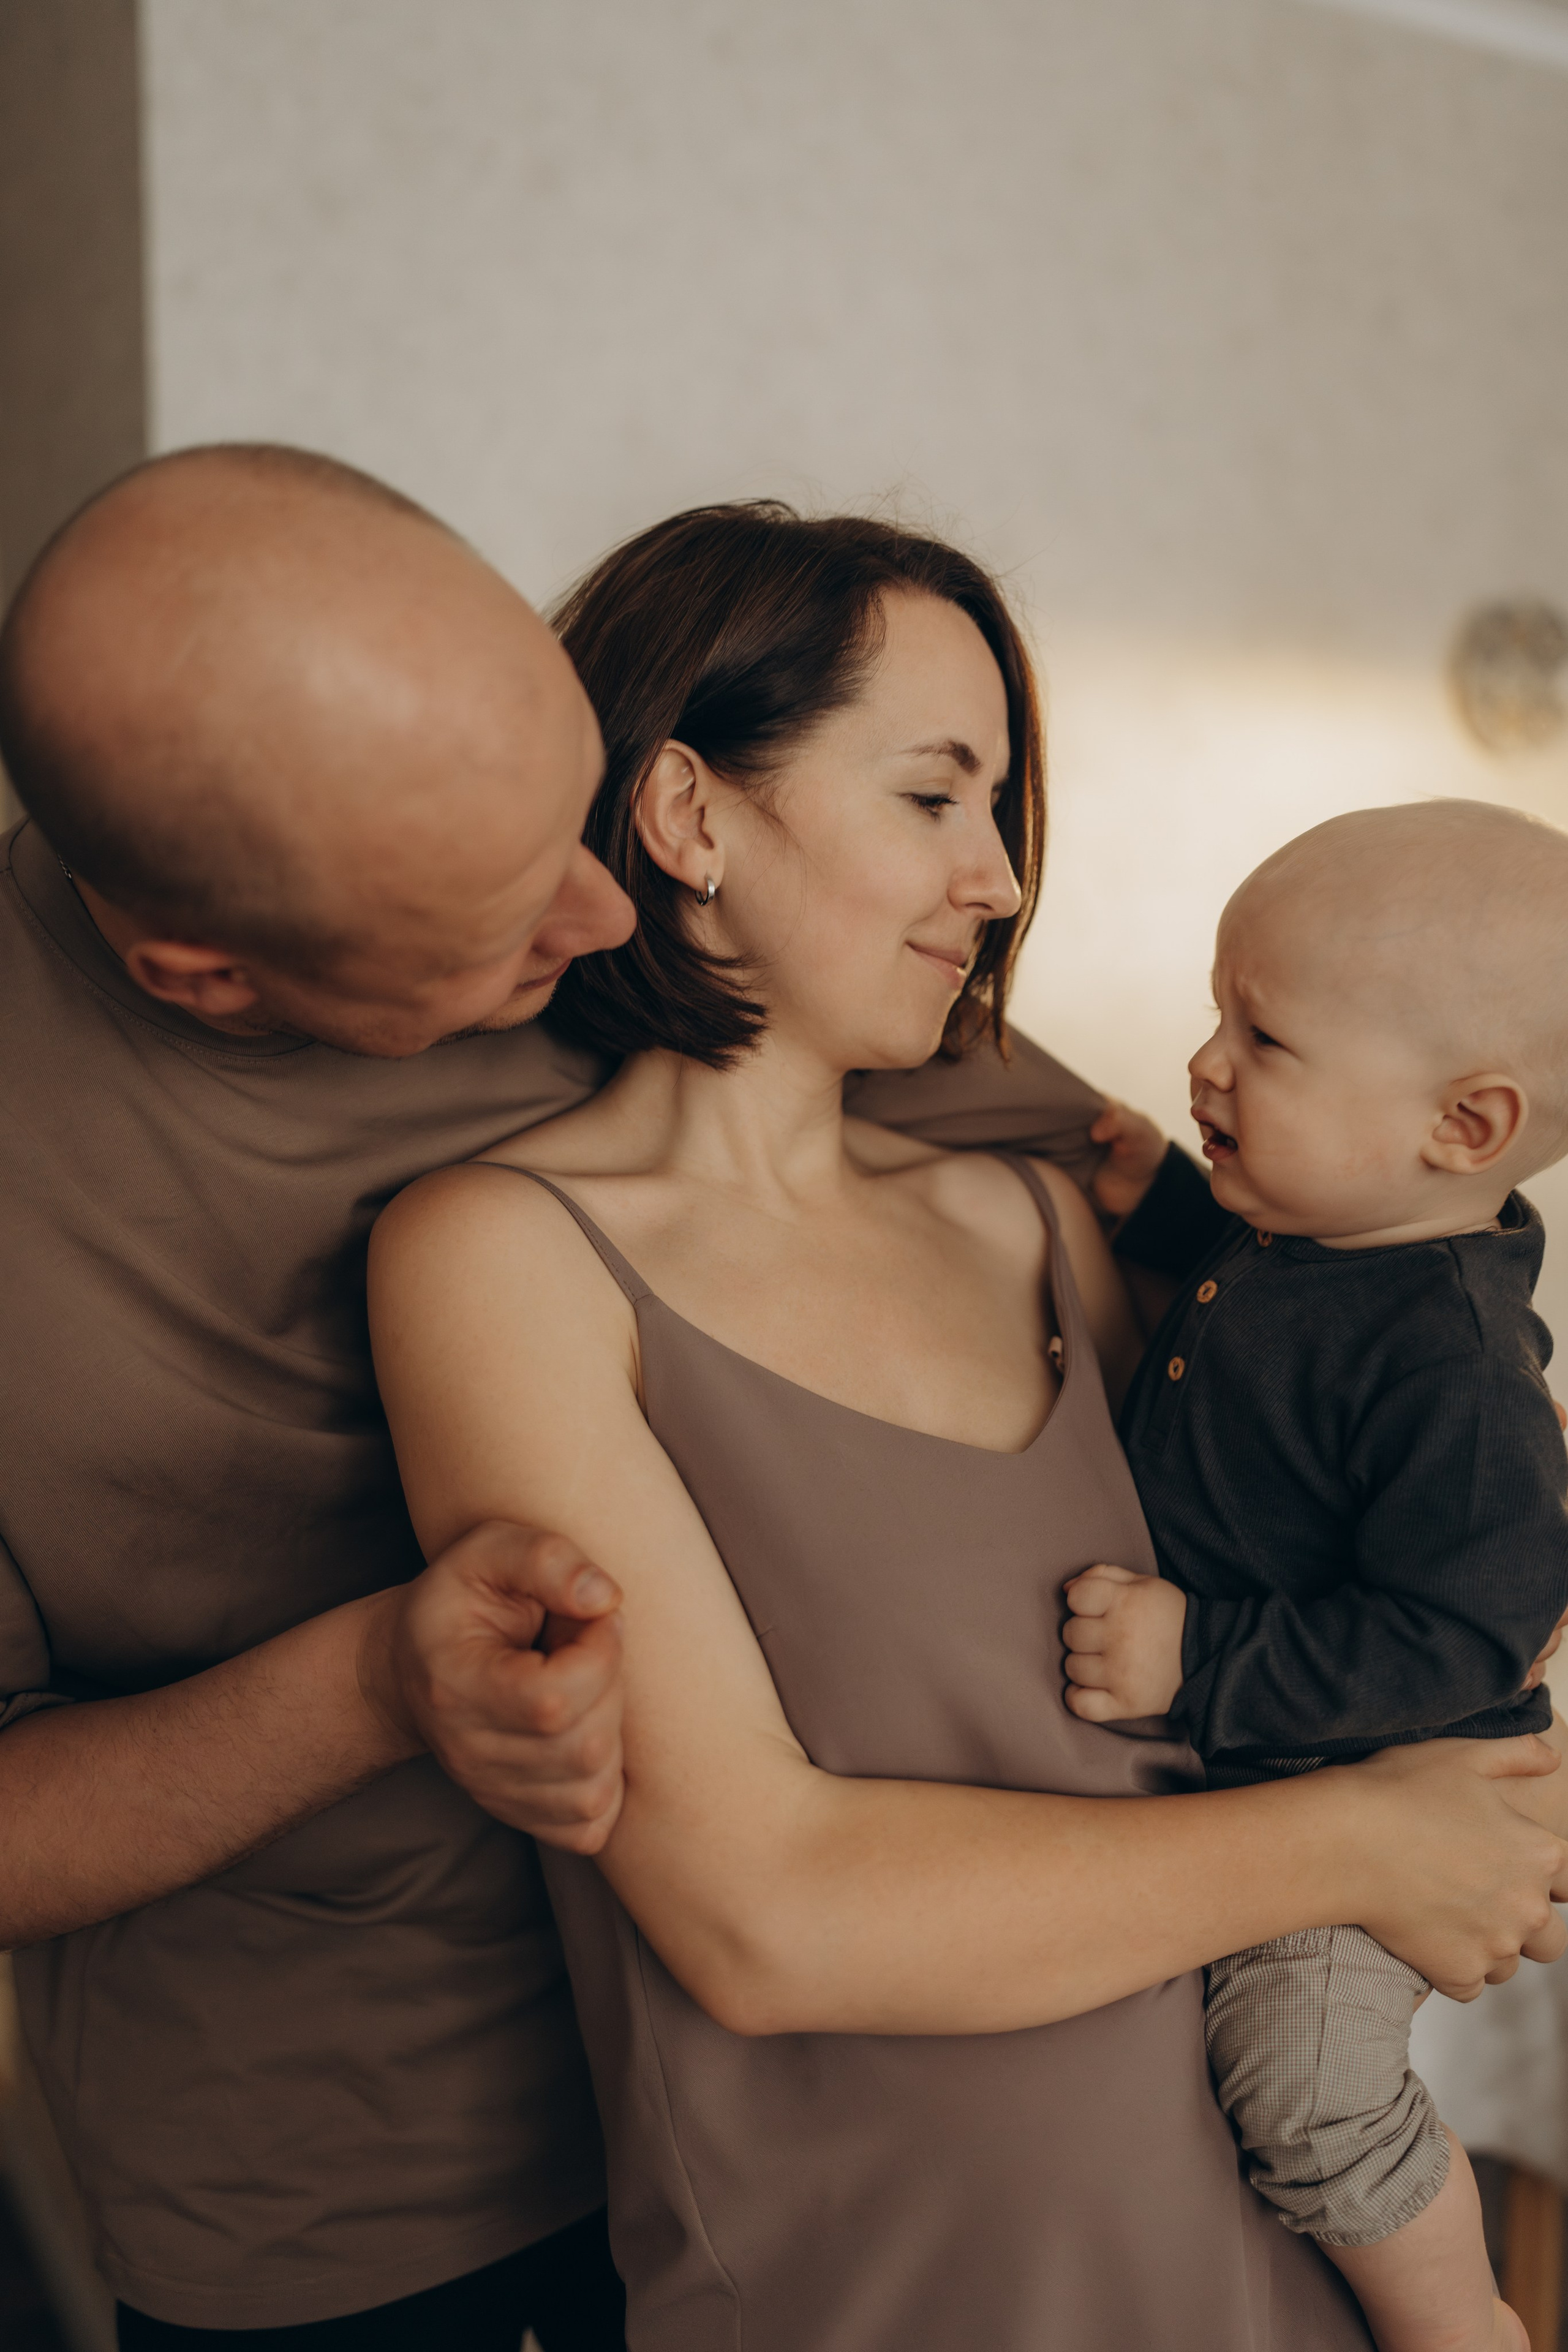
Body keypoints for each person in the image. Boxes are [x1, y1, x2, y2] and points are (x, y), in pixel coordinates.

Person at [0, 444, 1218, 2345]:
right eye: (500, 928)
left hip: (830, 2126)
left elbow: (1199, 1232)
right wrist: (377, 1682)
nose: (602, 913)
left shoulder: (648, 894)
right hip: (368, 2179)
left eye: (580, 810)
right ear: (211, 977)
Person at [368, 504, 1568, 2352]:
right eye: (933, 797)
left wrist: (1476, 1808)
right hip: (895, 2292)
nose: (999, 881)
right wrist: (1368, 1838)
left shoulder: (1043, 1224)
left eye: (1000, 810)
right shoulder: (501, 1260)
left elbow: (1417, 1519)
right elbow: (762, 1924)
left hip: (1271, 2264)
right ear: (686, 816)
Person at [1062, 801, 1568, 2352]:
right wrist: (1162, 1195)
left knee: (1300, 2079)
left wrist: (1196, 1657)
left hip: (1379, 1786)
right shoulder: (1321, 1225)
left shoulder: (1455, 1371)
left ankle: (1457, 2322)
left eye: (1262, 1040)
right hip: (1278, 1774)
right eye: (1218, 1014)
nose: (1205, 1063)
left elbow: (1462, 1643)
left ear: (1461, 1129)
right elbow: (1256, 1331)